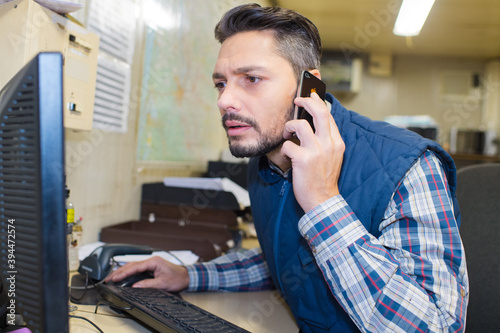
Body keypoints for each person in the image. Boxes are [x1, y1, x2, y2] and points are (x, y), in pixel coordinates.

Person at [107, 3, 468, 332]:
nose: (224, 100)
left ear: (309, 87)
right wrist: (189, 275)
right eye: (221, 83)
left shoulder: (409, 165)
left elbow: (435, 325)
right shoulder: (265, 159)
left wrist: (324, 203)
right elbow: (287, 260)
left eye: (251, 79)